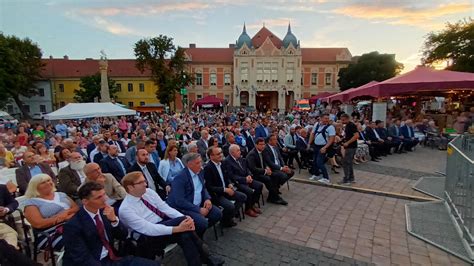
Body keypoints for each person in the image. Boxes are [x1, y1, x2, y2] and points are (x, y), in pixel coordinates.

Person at [119, 172, 224, 265]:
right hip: (148, 237)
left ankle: (199, 261)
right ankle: (207, 257)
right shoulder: (126, 209)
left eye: (145, 181)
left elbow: (165, 208)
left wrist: (184, 219)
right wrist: (179, 227)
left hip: (165, 226)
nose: (145, 184)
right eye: (141, 182)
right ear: (130, 187)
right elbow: (148, 229)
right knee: (183, 225)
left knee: (185, 235)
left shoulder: (149, 192)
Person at [62, 182, 158, 266]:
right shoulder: (73, 225)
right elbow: (81, 258)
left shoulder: (106, 212)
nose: (105, 199)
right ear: (85, 201)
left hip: (113, 257)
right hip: (95, 261)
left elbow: (123, 236)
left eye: (104, 195)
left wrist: (114, 221)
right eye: (99, 197)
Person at [167, 153, 222, 238]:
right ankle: (196, 239)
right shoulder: (180, 178)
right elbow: (180, 201)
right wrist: (198, 209)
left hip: (199, 203)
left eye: (201, 162)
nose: (201, 165)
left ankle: (196, 234)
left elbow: (203, 188)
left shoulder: (200, 172)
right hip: (186, 208)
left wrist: (207, 199)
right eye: (198, 163)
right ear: (189, 164)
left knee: (217, 213)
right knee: (202, 222)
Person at [23, 174, 79, 253]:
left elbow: (76, 208)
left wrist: (67, 213)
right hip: (50, 233)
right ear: (35, 186)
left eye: (49, 180)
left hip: (72, 224)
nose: (48, 183)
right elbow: (38, 224)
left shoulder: (61, 194)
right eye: (43, 182)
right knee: (77, 242)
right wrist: (60, 219)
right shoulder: (31, 203)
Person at [203, 147, 246, 227]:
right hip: (216, 194)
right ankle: (225, 220)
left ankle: (228, 217)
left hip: (226, 189)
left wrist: (229, 184)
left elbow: (226, 177)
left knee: (242, 197)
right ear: (211, 156)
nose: (221, 155)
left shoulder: (222, 163)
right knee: (230, 206)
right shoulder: (208, 168)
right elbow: (209, 187)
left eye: (221, 153)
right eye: (218, 154)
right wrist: (224, 189)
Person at [223, 144, 263, 217]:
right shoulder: (227, 161)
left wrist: (249, 175)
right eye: (238, 150)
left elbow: (246, 168)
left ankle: (252, 204)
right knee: (249, 191)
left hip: (246, 178)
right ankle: (248, 209)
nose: (240, 152)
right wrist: (244, 179)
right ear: (232, 153)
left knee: (259, 185)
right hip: (237, 182)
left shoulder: (240, 157)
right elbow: (231, 176)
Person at [246, 138, 287, 205]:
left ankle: (272, 196)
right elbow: (253, 169)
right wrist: (265, 171)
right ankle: (275, 197)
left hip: (263, 171)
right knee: (268, 179)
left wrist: (267, 167)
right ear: (256, 145)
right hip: (254, 174)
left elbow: (265, 162)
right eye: (261, 144)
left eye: (264, 144)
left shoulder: (262, 151)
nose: (263, 146)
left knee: (276, 175)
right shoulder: (252, 154)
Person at [307, 114, 335, 183]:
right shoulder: (316, 124)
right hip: (316, 146)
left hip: (323, 146)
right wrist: (309, 143)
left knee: (319, 162)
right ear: (321, 118)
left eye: (328, 118)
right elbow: (312, 134)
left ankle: (326, 178)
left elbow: (332, 139)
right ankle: (316, 174)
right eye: (325, 118)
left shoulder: (330, 127)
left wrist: (325, 147)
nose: (327, 120)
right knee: (314, 161)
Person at [339, 114, 359, 185]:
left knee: (346, 162)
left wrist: (347, 142)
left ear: (347, 119)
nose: (342, 121)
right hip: (349, 146)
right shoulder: (347, 126)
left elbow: (356, 136)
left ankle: (346, 179)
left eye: (343, 120)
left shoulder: (351, 125)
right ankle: (351, 178)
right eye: (341, 120)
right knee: (349, 162)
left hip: (351, 147)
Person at [0, 184, 19, 249]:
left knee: (11, 234)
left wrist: (5, 210)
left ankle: (10, 255)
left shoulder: (1, 188)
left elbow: (14, 203)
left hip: (1, 224)